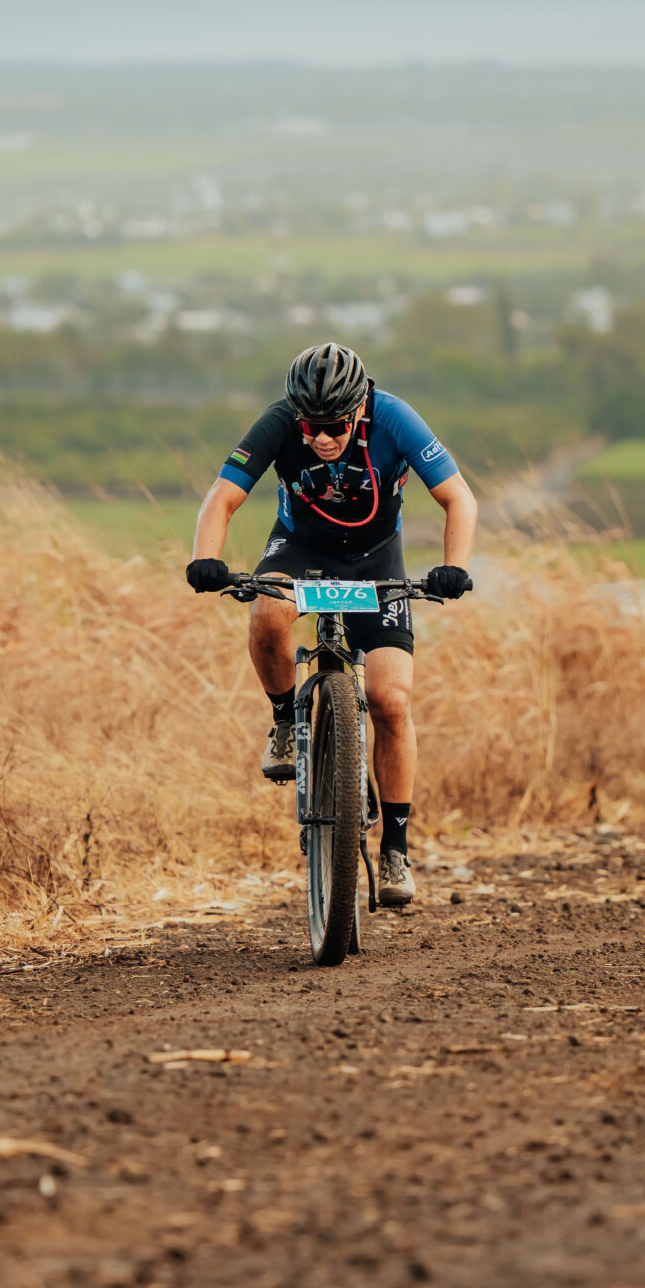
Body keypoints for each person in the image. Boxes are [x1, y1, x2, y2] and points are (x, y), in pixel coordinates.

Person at [186, 341, 478, 911]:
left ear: (359, 409)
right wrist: (205, 558)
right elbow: (221, 497)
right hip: (300, 548)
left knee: (390, 699)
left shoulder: (394, 417)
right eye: (311, 426)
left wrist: (456, 567)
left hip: (375, 559)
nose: (321, 437)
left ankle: (395, 849)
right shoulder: (278, 421)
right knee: (266, 611)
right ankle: (282, 721)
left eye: (335, 427)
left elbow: (458, 498)